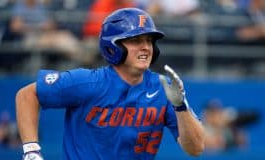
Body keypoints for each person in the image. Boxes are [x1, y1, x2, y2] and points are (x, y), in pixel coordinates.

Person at [16, 8, 205, 160]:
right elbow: (27, 95)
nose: (146, 47)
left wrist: (181, 106)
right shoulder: (87, 82)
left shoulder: (164, 88)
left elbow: (196, 149)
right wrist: (31, 151)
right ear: (113, 46)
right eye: (136, 40)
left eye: (149, 41)